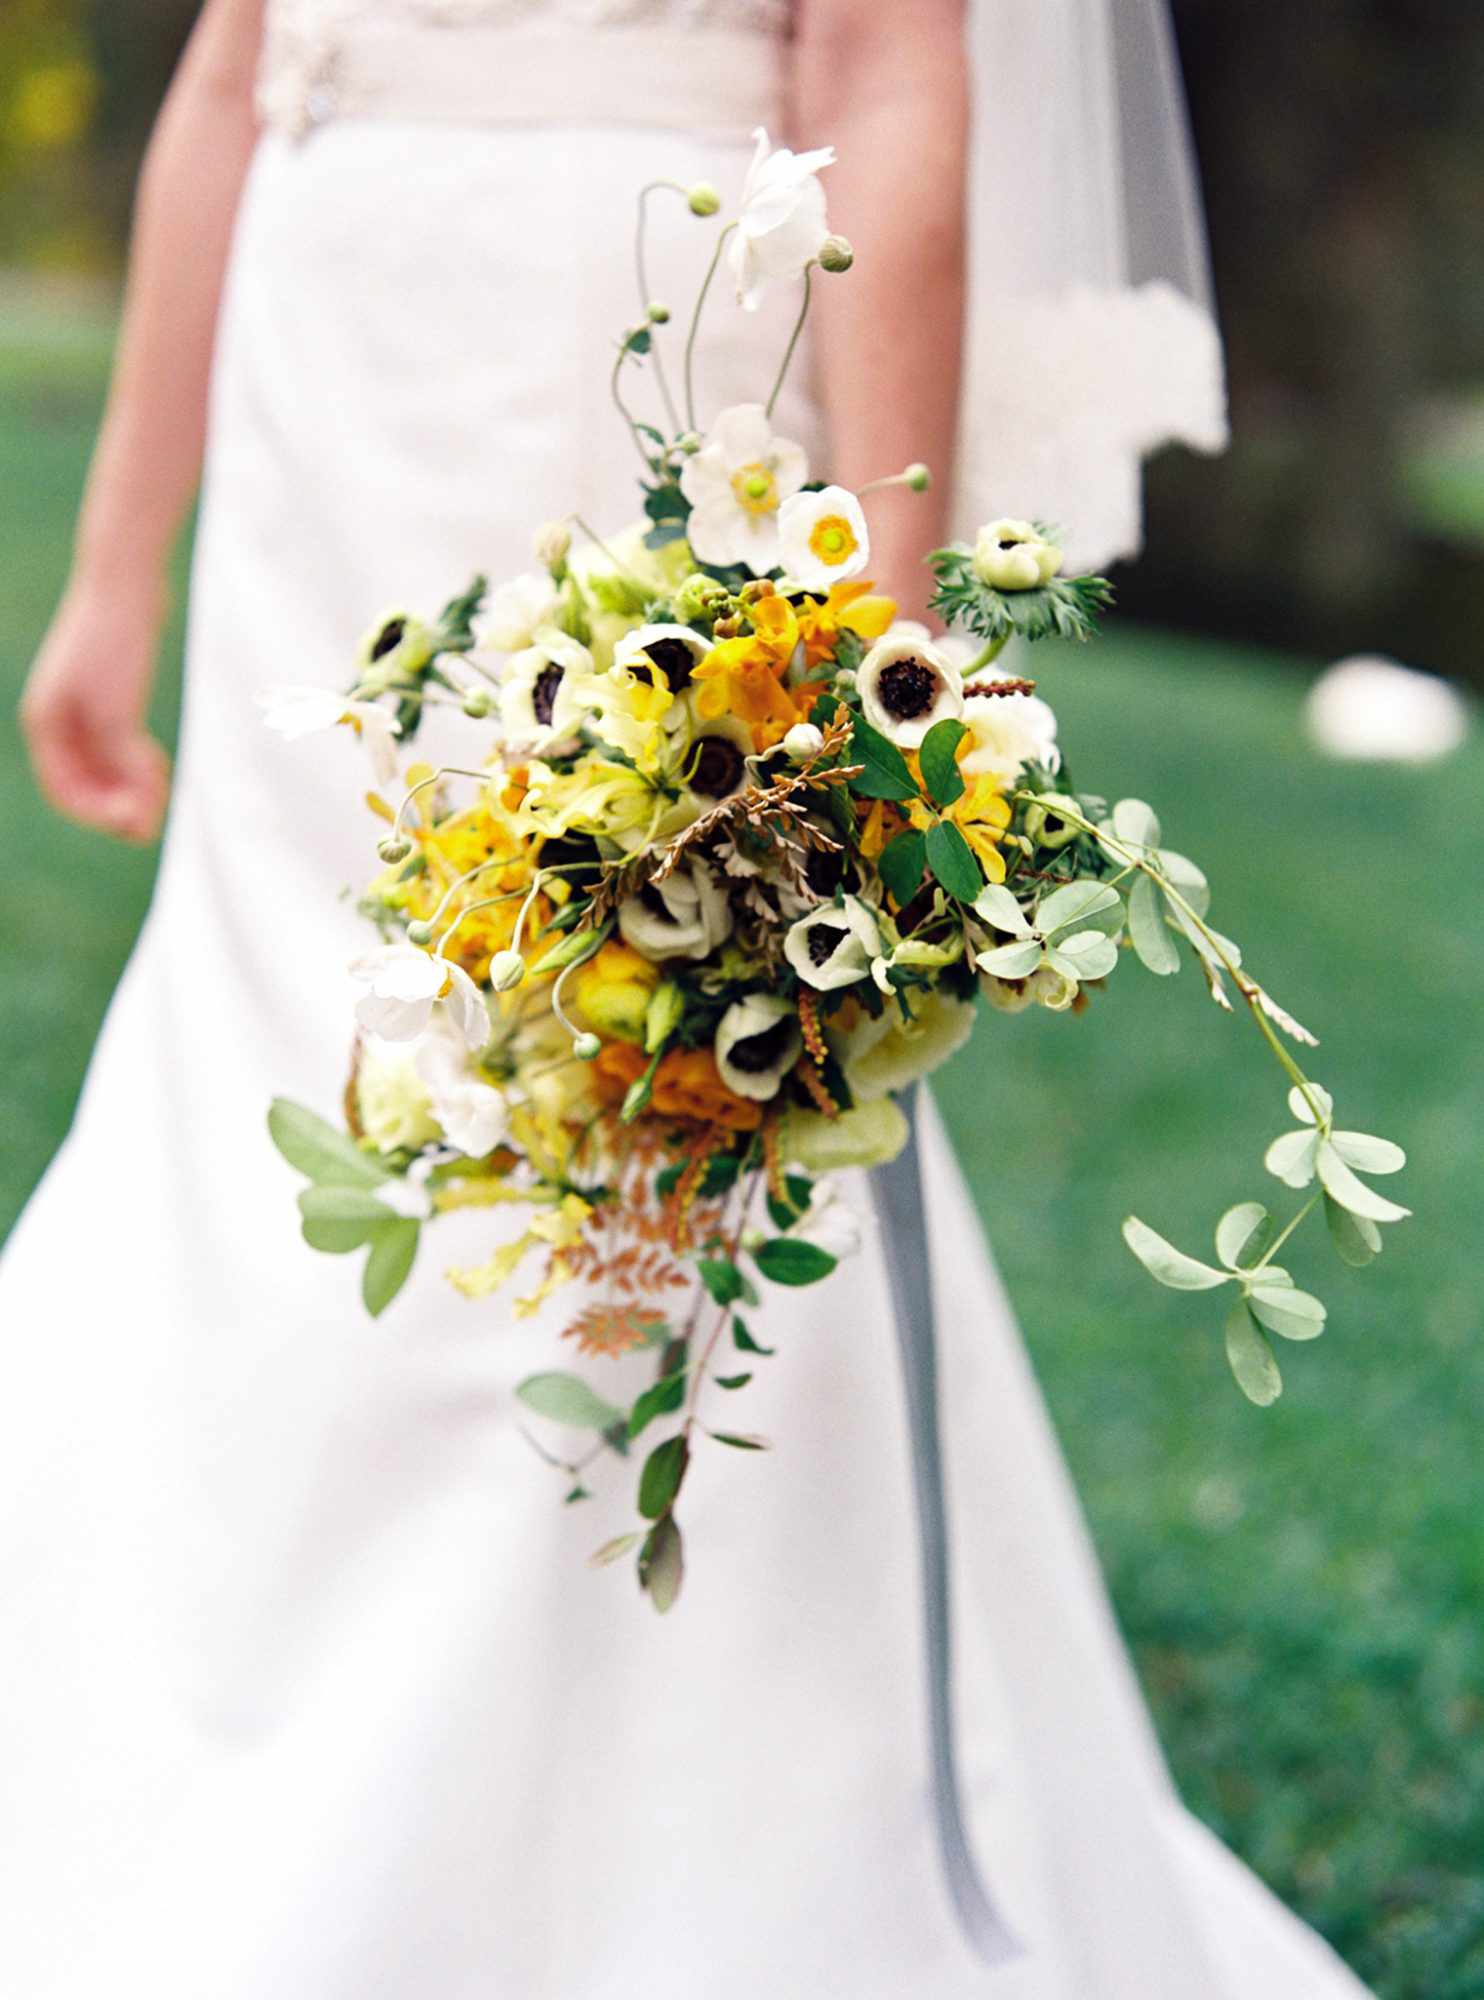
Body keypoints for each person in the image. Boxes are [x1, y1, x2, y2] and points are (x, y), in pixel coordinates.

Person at [5, 2, 1367, 1994]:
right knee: (274, 1046)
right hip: (329, 356)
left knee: (613, 1069)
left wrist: (876, 638)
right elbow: (234, 69)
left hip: (620, 338)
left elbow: (892, 72)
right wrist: (116, 564)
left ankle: (636, 1824)